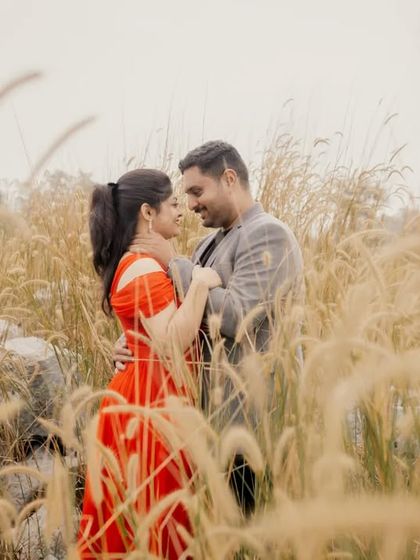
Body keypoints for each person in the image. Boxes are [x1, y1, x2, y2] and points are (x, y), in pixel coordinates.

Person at [115, 141, 304, 516]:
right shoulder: (205, 245)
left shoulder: (269, 235)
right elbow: (177, 314)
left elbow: (237, 316)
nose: (191, 204)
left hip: (255, 427)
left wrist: (175, 265)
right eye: (186, 195)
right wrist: (132, 338)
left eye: (197, 192)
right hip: (209, 426)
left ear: (229, 179)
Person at [78, 169, 221, 559]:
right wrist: (201, 284)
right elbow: (173, 341)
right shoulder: (141, 265)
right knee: (156, 522)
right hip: (148, 409)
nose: (180, 211)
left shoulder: (143, 260)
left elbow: (148, 329)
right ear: (147, 212)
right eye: (173, 203)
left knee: (148, 519)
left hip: (150, 400)